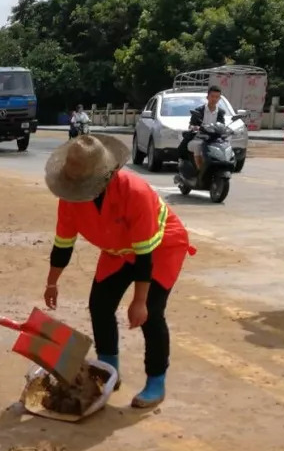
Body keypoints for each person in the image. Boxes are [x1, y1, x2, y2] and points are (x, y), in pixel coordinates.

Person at [43, 134, 194, 409]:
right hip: (117, 250)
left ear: (104, 176)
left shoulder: (135, 193)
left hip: (160, 247)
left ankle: (156, 381)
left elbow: (145, 255)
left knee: (151, 313)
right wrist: (52, 283)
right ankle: (109, 372)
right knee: (99, 305)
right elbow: (63, 245)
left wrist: (138, 301)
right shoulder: (71, 197)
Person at [189, 85, 227, 172]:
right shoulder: (198, 110)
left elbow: (222, 125)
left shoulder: (221, 112)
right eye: (212, 96)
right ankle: (200, 171)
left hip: (215, 139)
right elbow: (191, 125)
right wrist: (195, 127)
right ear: (207, 97)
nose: (214, 99)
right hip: (199, 138)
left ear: (219, 98)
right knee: (198, 146)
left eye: (217, 97)